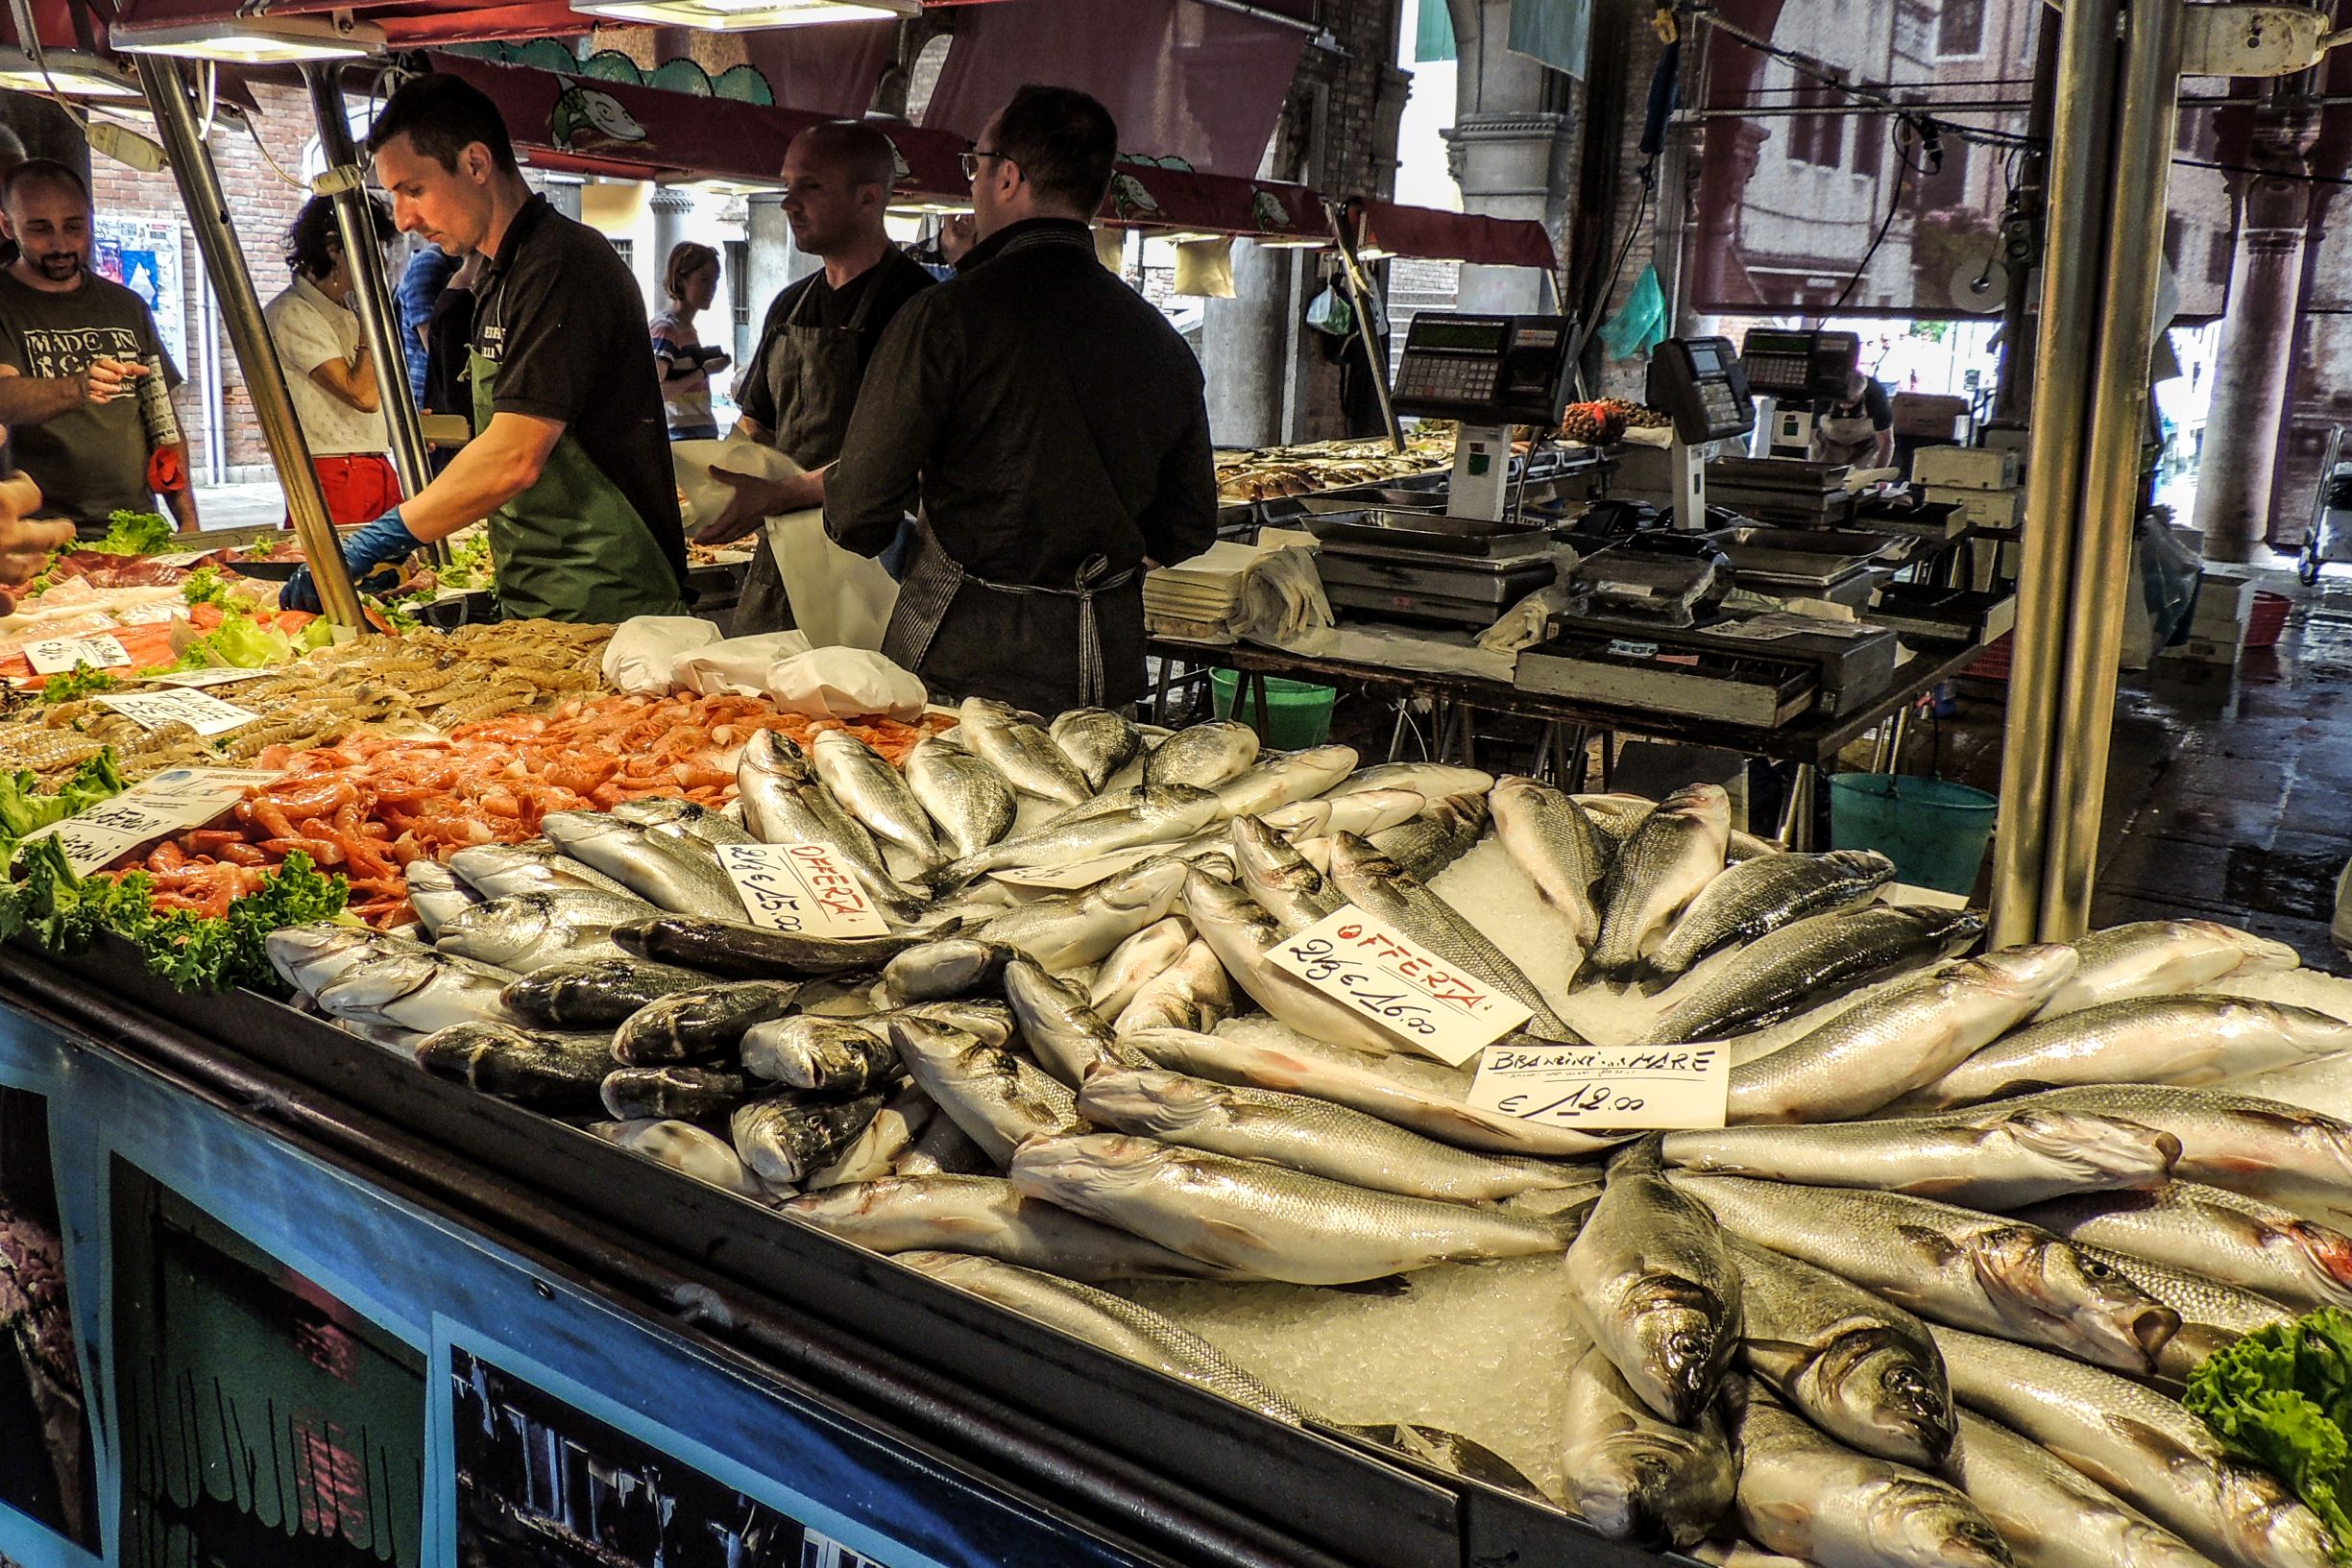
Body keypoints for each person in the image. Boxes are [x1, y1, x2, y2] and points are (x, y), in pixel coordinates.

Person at [824, 85, 1215, 713]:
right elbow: (1189, 526)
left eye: (974, 164)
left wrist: (907, 541)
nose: (971, 182)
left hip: (961, 671)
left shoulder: (944, 318)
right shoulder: (1160, 340)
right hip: (1104, 676)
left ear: (1007, 176)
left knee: (957, 816)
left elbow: (856, 510)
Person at [281, 73, 689, 622]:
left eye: (413, 190)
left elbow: (515, 457)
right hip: (541, 591)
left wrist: (387, 535)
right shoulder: (501, 276)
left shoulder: (562, 264)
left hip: (609, 597)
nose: (402, 219)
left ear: (475, 163)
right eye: (394, 196)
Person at [701, 119, 934, 635]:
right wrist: (716, 480)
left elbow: (905, 461)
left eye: (810, 186)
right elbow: (755, 422)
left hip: (879, 562)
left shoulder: (921, 308)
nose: (788, 203)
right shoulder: (790, 304)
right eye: (786, 186)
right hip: (781, 557)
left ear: (869, 198)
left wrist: (775, 495)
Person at [0, 159, 197, 538]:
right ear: (8, 226)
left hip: (138, 526)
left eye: (74, 227)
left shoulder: (127, 306)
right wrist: (77, 387)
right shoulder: (3, 302)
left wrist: (187, 518)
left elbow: (162, 419)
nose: (61, 244)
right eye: (40, 229)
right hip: (43, 535)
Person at [264, 194, 401, 527]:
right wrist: (374, 321)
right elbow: (363, 395)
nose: (379, 263)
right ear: (333, 248)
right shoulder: (293, 313)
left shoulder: (345, 309)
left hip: (370, 466)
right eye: (371, 248)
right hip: (335, 474)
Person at [651, 241, 729, 441]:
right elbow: (655, 391)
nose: (711, 288)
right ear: (680, 279)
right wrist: (703, 371)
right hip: (679, 438)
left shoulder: (685, 328)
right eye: (704, 280)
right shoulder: (666, 329)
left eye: (715, 280)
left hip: (696, 436)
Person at [393, 242, 459, 407]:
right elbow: (433, 344)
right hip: (429, 390)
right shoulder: (428, 264)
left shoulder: (450, 261)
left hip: (442, 385)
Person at [1811, 371, 1895, 470]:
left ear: (1861, 392)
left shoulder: (1876, 395)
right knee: (1825, 475)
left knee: (1859, 479)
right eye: (1840, 401)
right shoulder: (1823, 395)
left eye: (1851, 402)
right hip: (1830, 444)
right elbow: (1810, 434)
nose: (1844, 406)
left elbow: (1886, 441)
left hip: (1866, 445)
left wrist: (1876, 474)